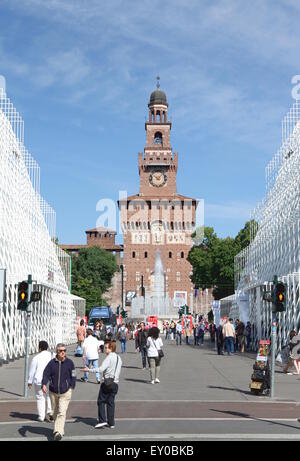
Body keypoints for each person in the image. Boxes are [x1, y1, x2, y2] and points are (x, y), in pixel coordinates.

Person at [82, 341, 122, 429]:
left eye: (106, 347)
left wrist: (88, 370)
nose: (105, 349)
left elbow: (101, 369)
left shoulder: (109, 358)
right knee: (110, 402)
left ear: (111, 348)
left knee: (101, 401)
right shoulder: (119, 358)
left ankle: (102, 420)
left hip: (107, 382)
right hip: (115, 383)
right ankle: (111, 423)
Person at [42, 344, 76, 441]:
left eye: (64, 350)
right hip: (53, 392)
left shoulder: (70, 363)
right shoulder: (51, 363)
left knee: (62, 412)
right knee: (55, 412)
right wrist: (44, 384)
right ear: (57, 351)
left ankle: (58, 432)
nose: (63, 352)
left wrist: (71, 386)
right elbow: (46, 374)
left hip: (65, 392)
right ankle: (60, 429)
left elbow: (73, 374)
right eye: (61, 350)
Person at [28, 340, 54, 422]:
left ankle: (41, 416)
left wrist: (30, 381)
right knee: (49, 396)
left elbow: (32, 370)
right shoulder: (52, 355)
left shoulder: (36, 357)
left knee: (40, 397)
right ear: (47, 347)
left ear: (39, 348)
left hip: (39, 380)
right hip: (50, 380)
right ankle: (50, 412)